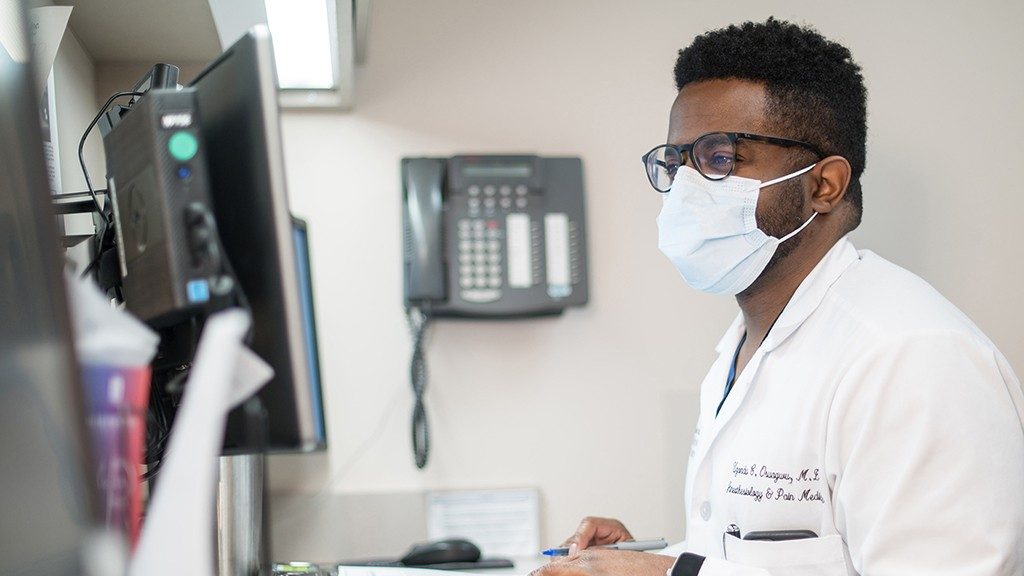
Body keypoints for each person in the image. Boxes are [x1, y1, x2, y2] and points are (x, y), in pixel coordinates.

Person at [532, 17, 1024, 576]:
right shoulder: (742, 351)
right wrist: (652, 557)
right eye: (677, 162)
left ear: (824, 185)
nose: (687, 187)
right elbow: (766, 557)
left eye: (720, 159)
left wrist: (671, 575)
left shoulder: (911, 358)